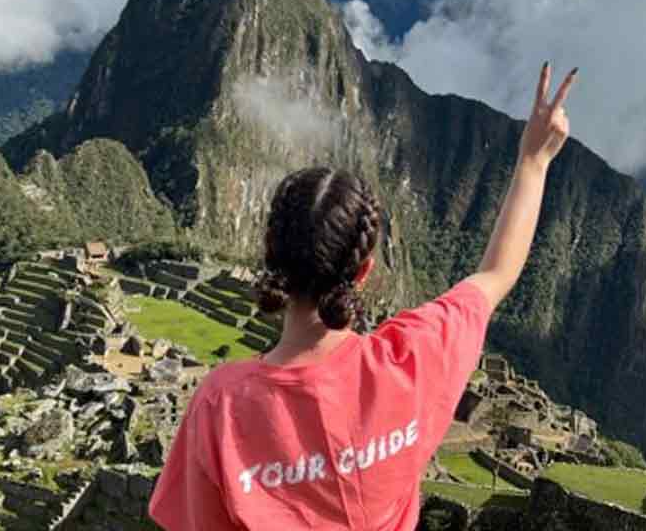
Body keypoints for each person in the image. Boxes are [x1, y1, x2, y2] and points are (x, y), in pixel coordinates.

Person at [148, 62, 578, 530]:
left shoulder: (221, 405)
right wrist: (534, 162)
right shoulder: (414, 359)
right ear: (366, 270)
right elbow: (496, 274)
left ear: (270, 252)